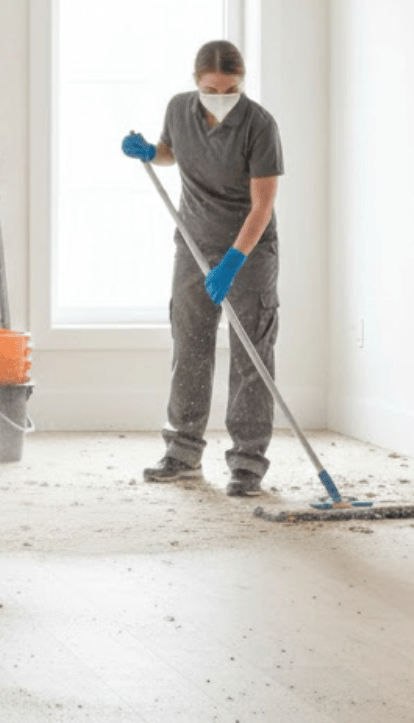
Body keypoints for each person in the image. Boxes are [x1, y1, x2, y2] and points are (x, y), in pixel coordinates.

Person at [120, 40, 282, 498]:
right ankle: (183, 453)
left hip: (248, 251)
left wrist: (233, 260)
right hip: (192, 244)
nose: (221, 96)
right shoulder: (178, 109)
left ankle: (248, 463)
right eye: (211, 88)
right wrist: (149, 152)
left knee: (251, 354)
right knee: (189, 345)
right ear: (195, 82)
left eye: (230, 89)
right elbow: (173, 152)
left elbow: (262, 207)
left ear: (241, 83)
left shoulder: (259, 125)